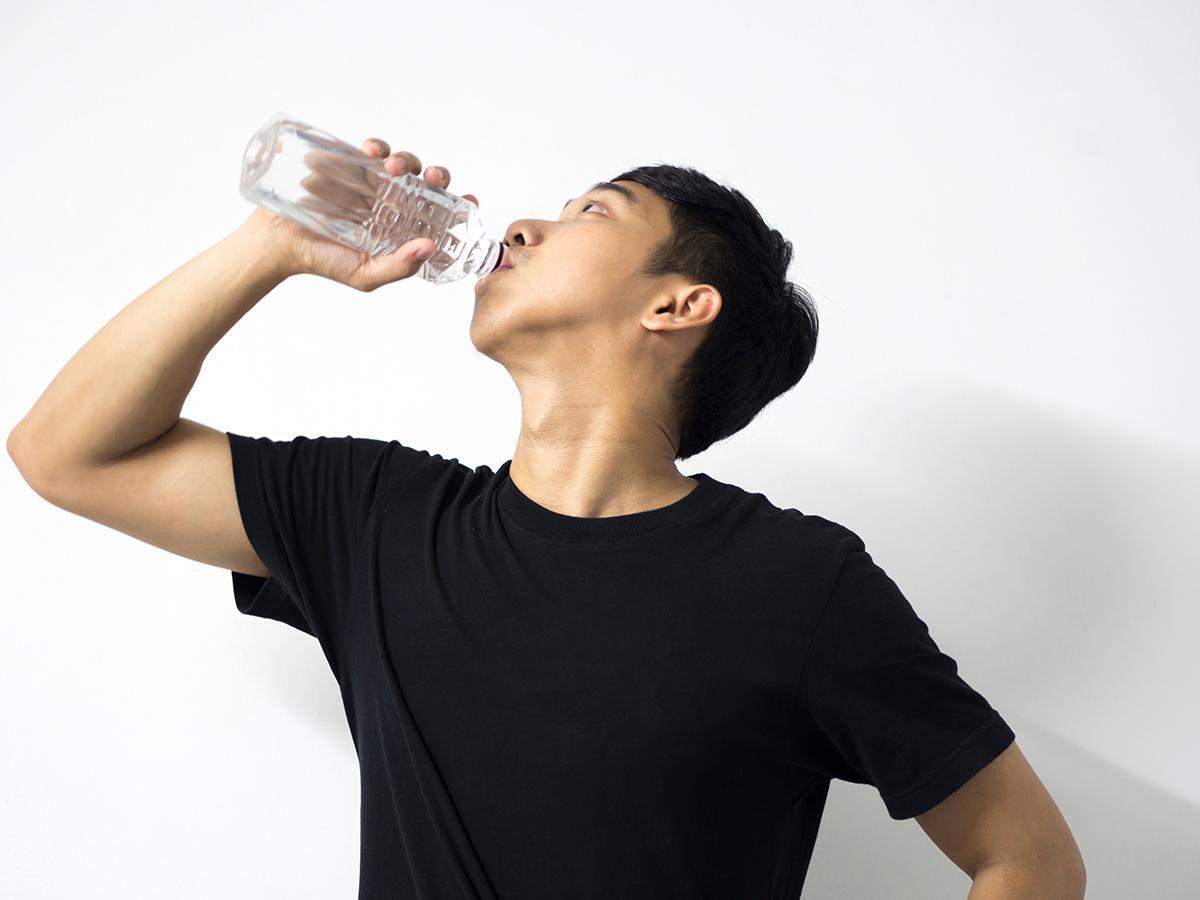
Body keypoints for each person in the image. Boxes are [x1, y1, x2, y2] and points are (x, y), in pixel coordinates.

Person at [8, 135, 1086, 899]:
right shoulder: (376, 519)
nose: (521, 225)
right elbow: (65, 452)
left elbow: (1030, 859)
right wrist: (272, 245)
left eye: (591, 213)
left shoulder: (800, 583)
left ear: (677, 305)